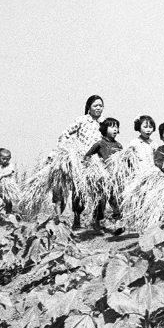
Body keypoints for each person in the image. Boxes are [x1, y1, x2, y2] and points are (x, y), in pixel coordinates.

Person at [55, 94, 105, 228]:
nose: (98, 108)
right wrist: (65, 145)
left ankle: (97, 220)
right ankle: (77, 218)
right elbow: (66, 132)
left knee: (99, 190)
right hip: (82, 160)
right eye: (95, 105)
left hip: (98, 160)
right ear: (89, 107)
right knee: (79, 190)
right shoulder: (81, 120)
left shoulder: (104, 122)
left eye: (101, 106)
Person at [85, 117, 123, 230]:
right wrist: (96, 165)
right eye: (112, 127)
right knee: (100, 201)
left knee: (115, 200)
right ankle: (97, 223)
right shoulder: (99, 144)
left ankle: (118, 223)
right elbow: (87, 157)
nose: (115, 129)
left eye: (116, 127)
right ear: (104, 128)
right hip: (102, 178)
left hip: (114, 178)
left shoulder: (119, 146)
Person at [0, 148, 16, 213]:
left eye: (7, 159)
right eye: (3, 159)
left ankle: (8, 213)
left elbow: (10, 171)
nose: (5, 161)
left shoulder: (10, 165)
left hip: (8, 188)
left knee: (8, 200)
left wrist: (2, 175)